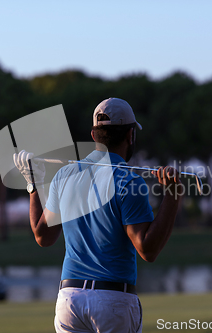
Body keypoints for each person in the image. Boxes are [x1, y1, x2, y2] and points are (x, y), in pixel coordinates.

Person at [14, 97, 184, 333]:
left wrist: (33, 184)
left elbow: (43, 237)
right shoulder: (129, 181)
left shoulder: (64, 175)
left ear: (94, 136)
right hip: (113, 300)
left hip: (69, 301)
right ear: (130, 136)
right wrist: (172, 195)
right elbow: (148, 249)